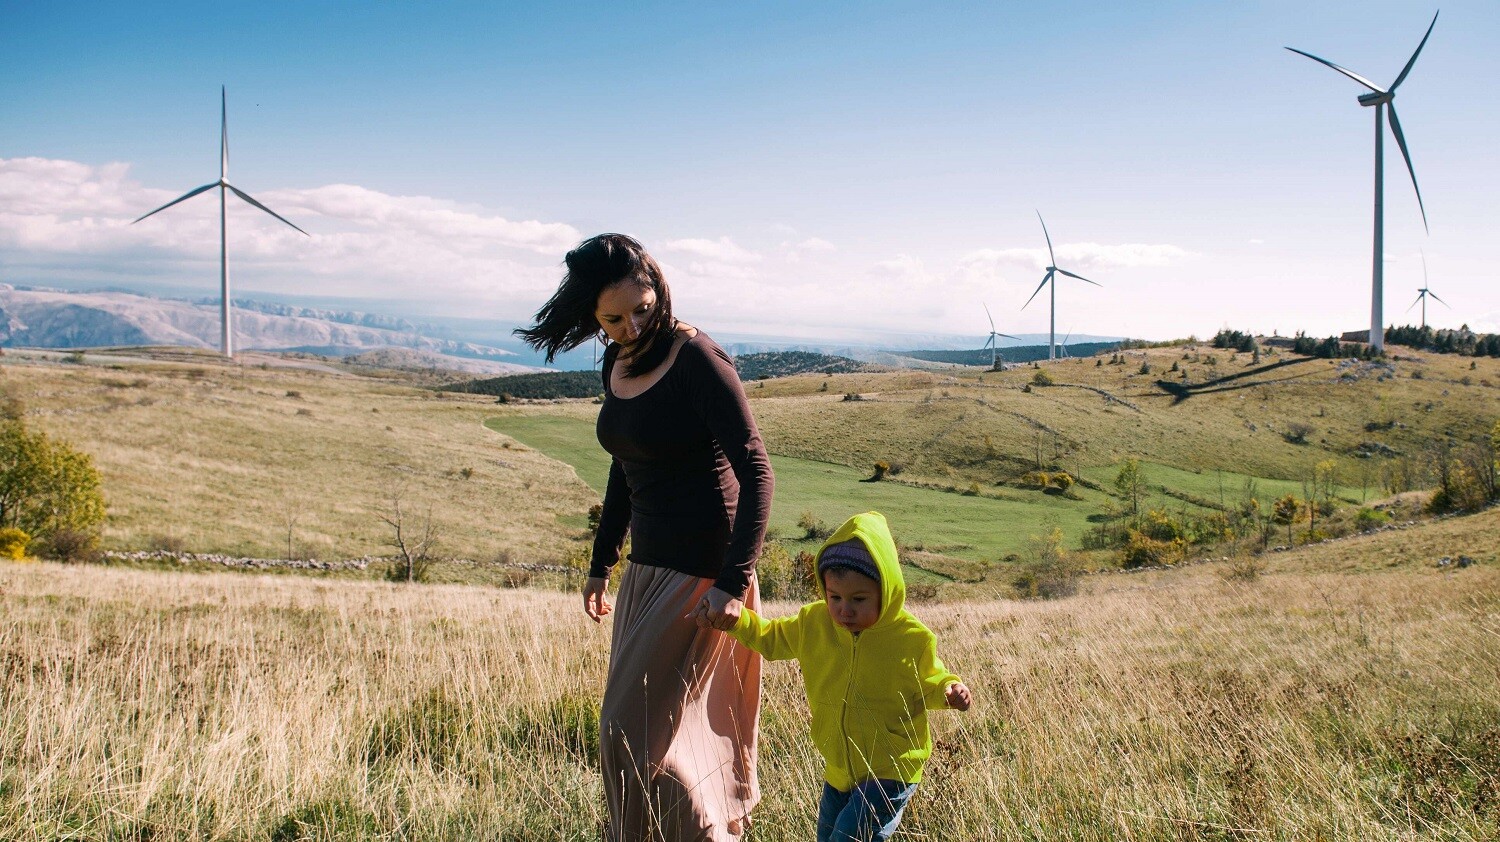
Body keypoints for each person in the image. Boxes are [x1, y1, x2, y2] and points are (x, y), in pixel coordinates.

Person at [516, 233, 774, 841]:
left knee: (628, 734)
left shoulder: (697, 359)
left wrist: (732, 583)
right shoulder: (618, 361)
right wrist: (601, 563)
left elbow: (757, 471)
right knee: (658, 740)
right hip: (648, 570)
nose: (631, 327)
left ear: (657, 287)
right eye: (613, 319)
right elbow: (625, 467)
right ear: (592, 317)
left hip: (702, 574)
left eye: (642, 309)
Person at [693, 511, 972, 842]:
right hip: (839, 768)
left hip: (891, 769)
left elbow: (931, 681)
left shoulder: (912, 638)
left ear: (886, 591)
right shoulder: (814, 623)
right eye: (835, 597)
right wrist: (738, 620)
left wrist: (950, 690)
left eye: (859, 599)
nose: (844, 610)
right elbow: (771, 638)